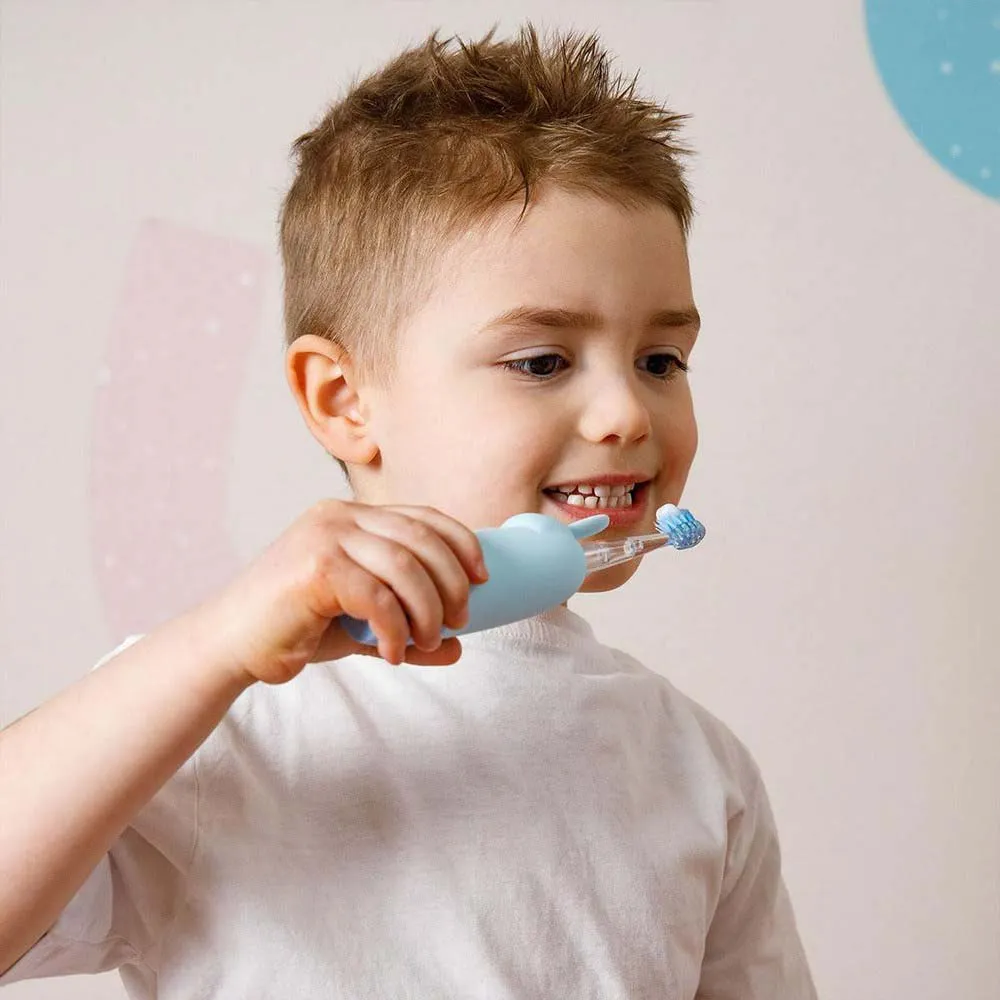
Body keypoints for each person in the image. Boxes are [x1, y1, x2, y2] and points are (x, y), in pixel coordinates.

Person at [0, 25, 818, 998]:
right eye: (542, 361)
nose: (626, 413)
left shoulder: (697, 770)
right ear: (345, 400)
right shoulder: (217, 717)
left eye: (660, 360)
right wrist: (213, 651)